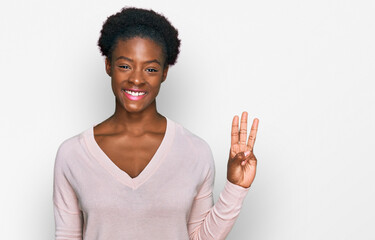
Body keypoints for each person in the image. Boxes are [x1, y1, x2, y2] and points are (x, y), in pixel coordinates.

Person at [53, 7, 259, 240]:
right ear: (108, 66)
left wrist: (235, 187)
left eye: (150, 69)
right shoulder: (72, 154)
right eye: (125, 66)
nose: (137, 79)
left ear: (164, 73)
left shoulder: (195, 151)